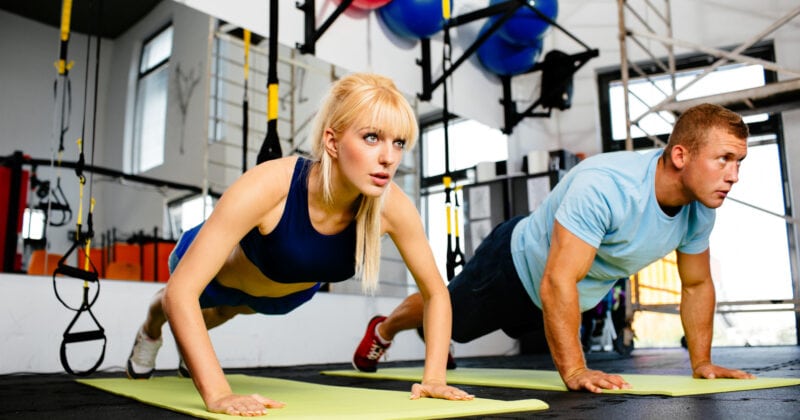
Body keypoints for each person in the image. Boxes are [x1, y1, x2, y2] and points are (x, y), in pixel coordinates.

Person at [126, 73, 473, 416]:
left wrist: (435, 378)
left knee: (227, 311)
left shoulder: (392, 207)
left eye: (398, 143)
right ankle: (149, 334)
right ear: (332, 142)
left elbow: (436, 293)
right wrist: (217, 392)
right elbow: (182, 293)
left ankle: (191, 350)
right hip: (216, 275)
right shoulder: (270, 185)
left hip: (281, 297)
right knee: (169, 304)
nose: (389, 157)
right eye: (371, 138)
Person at [354, 103, 757, 392]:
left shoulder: (700, 212)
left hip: (561, 298)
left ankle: (436, 334)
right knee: (447, 317)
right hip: (514, 268)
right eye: (724, 159)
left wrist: (701, 363)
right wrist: (576, 369)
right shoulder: (605, 186)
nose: (734, 176)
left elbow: (697, 285)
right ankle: (384, 328)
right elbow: (558, 279)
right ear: (681, 155)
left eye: (739, 162)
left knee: (463, 330)